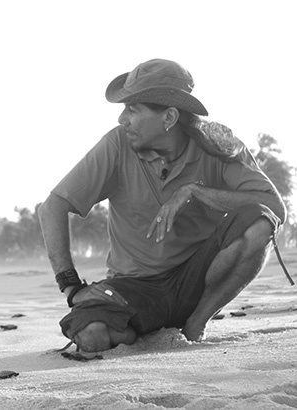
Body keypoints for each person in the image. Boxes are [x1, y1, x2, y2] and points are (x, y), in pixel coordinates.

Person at [38, 58, 287, 353]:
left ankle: (197, 323)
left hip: (198, 281)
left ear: (168, 118)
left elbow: (274, 208)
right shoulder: (117, 144)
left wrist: (196, 192)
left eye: (132, 110)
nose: (122, 120)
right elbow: (52, 206)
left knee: (258, 220)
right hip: (132, 287)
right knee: (91, 336)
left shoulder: (218, 146)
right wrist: (71, 286)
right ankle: (141, 329)